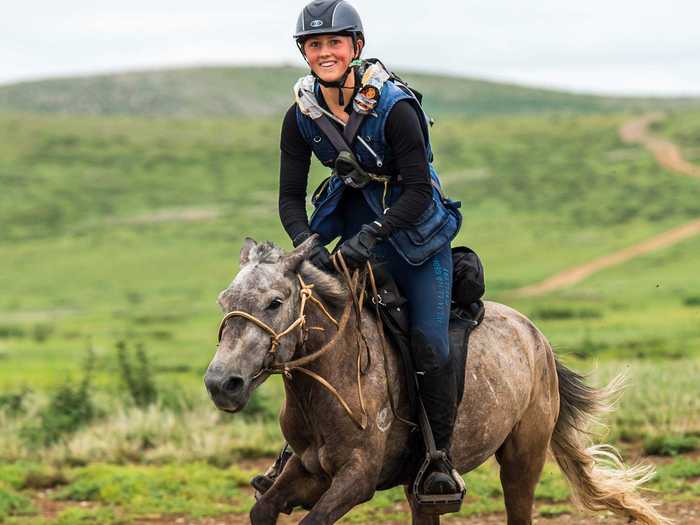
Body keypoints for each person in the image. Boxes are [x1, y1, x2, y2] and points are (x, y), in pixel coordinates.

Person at [252, 0, 463, 497]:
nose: (325, 52)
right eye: (315, 45)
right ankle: (296, 452)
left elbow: (415, 190)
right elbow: (288, 197)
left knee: (429, 341)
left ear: (356, 47)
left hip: (415, 238)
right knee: (307, 327)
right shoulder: (301, 114)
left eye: (334, 43)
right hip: (350, 233)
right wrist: (308, 247)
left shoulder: (396, 108)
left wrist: (370, 239)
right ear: (305, 52)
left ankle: (438, 460)